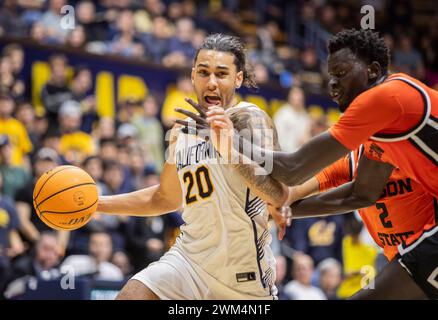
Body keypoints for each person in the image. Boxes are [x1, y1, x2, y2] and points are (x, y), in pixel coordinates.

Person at [186, 29, 438, 299]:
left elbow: (294, 168)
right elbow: (362, 193)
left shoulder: (386, 98)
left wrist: (231, 140)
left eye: (341, 73)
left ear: (373, 71)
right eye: (330, 75)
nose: (332, 84)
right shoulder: (383, 130)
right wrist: (288, 210)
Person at [97, 33, 288, 300]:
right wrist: (96, 203)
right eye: (203, 72)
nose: (211, 82)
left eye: (221, 74)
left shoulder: (250, 119)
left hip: (242, 276)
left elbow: (277, 194)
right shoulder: (180, 132)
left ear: (238, 78)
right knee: (132, 295)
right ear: (192, 76)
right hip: (189, 261)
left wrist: (227, 148)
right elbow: (164, 197)